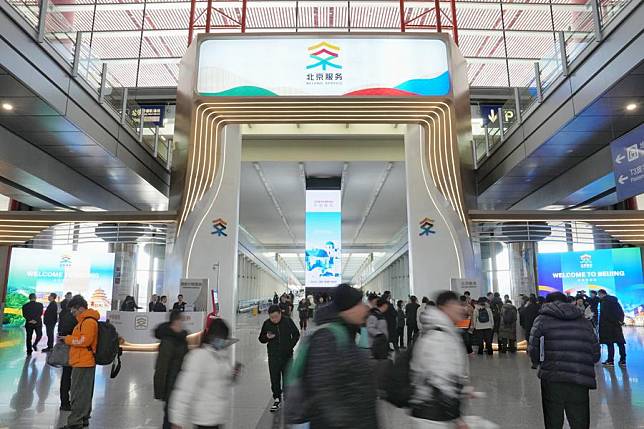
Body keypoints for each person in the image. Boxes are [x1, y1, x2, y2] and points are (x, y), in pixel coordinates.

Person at [302, 283, 379, 429]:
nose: (365, 308)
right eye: (359, 304)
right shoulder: (327, 337)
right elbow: (323, 389)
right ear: (348, 309)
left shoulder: (345, 332)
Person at [529, 292, 600, 429]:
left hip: (552, 377)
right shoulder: (583, 321)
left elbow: (534, 349)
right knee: (580, 420)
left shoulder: (541, 320)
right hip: (579, 377)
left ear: (547, 303)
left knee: (553, 419)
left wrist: (538, 363)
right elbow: (595, 353)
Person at [411, 291, 470, 429]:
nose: (462, 308)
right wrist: (457, 417)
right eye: (456, 304)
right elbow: (441, 382)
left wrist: (463, 389)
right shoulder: (439, 337)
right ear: (445, 307)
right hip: (433, 416)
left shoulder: (444, 330)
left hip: (435, 412)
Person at [169, 318, 240, 429]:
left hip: (218, 417)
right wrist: (177, 420)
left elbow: (223, 381)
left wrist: (233, 375)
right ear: (212, 336)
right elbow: (185, 389)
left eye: (224, 338)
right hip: (204, 419)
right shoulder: (198, 356)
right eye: (220, 338)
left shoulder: (221, 356)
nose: (223, 342)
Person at [61, 295, 99, 429]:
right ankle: (83, 419)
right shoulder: (84, 321)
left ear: (81, 308)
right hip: (82, 361)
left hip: (84, 362)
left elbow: (85, 341)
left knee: (78, 394)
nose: (73, 314)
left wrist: (68, 339)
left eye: (74, 311)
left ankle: (75, 423)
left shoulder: (88, 322)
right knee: (84, 393)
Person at [258, 304, 300, 412]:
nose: (274, 319)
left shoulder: (287, 321)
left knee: (287, 378)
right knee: (274, 378)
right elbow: (261, 339)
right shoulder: (267, 324)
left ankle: (288, 398)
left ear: (280, 313)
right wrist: (266, 337)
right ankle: (277, 398)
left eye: (276, 316)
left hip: (287, 356)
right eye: (272, 317)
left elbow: (296, 334)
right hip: (273, 356)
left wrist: (290, 346)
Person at [154, 310, 189, 429]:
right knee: (170, 419)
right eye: (181, 320)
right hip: (170, 386)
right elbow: (161, 368)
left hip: (179, 384)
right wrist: (160, 391)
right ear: (175, 322)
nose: (182, 324)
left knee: (174, 418)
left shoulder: (181, 338)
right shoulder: (168, 341)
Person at [58, 296, 78, 411]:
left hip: (66, 348)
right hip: (72, 349)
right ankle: (65, 402)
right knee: (69, 376)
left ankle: (64, 401)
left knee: (66, 375)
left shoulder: (64, 314)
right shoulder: (73, 318)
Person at [598, 289, 626, 366]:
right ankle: (623, 360)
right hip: (616, 326)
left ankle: (610, 361)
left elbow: (606, 315)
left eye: (599, 295)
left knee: (609, 343)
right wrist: (619, 321)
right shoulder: (615, 301)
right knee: (620, 343)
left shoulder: (604, 302)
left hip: (608, 326)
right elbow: (621, 312)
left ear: (601, 294)